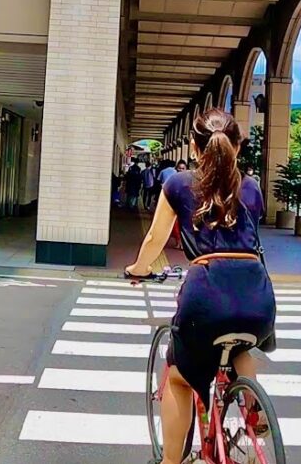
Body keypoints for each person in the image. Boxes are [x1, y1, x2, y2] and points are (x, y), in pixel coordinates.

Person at [124, 109, 276, 464]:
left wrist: (138, 269)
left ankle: (171, 461)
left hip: (206, 298)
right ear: (237, 146)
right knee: (240, 345)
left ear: (193, 146)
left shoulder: (178, 184)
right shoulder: (251, 187)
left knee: (179, 376)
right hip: (257, 299)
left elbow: (154, 239)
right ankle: (255, 408)